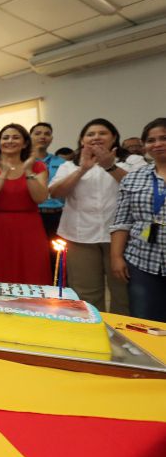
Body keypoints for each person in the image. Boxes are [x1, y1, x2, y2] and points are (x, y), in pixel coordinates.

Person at [49, 119, 145, 314]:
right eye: (90, 134)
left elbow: (140, 188)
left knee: (122, 292)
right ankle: (92, 334)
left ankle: (122, 339)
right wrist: (82, 169)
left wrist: (110, 166)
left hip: (121, 237)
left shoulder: (132, 161)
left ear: (114, 137)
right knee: (85, 292)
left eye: (103, 133)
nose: (97, 137)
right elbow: (56, 192)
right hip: (79, 236)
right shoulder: (69, 165)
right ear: (82, 140)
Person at [0, 123, 51, 285]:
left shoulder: (38, 167)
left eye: (16, 137)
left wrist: (28, 171)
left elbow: (40, 198)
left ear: (24, 143)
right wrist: (3, 174)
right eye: (5, 137)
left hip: (29, 228)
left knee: (31, 272)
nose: (10, 141)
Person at [111, 118, 166, 321]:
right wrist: (116, 257)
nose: (158, 144)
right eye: (151, 140)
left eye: (164, 138)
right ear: (145, 146)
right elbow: (122, 220)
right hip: (142, 261)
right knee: (145, 322)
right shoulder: (133, 177)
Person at [30, 122, 66, 240]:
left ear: (51, 139)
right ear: (30, 137)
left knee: (56, 254)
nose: (43, 136)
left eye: (47, 134)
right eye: (38, 133)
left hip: (57, 215)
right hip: (32, 213)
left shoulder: (61, 162)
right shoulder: (23, 162)